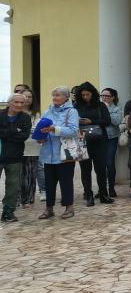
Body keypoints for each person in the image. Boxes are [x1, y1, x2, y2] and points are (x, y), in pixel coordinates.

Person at [37, 87, 80, 219]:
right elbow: (41, 128)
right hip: (48, 152)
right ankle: (49, 209)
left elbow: (73, 131)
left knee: (65, 181)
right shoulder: (47, 111)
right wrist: (40, 136)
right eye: (53, 95)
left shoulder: (71, 111)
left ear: (66, 97)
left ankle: (69, 208)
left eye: (57, 95)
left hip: (64, 153)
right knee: (49, 183)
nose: (54, 98)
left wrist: (54, 129)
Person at [74, 81, 113, 205]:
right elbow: (71, 122)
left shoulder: (100, 105)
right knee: (85, 169)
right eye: (83, 95)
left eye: (88, 94)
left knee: (101, 169)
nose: (85, 97)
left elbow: (107, 121)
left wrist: (92, 121)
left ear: (92, 93)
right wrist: (80, 122)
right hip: (83, 141)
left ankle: (103, 194)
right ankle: (88, 195)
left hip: (99, 141)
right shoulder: (76, 106)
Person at [0, 94, 32, 223]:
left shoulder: (25, 118)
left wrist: (4, 133)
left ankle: (8, 212)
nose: (19, 105)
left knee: (13, 186)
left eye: (21, 103)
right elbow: (17, 134)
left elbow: (23, 136)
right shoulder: (0, 114)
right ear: (9, 102)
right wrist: (15, 130)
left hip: (15, 156)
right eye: (16, 102)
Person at [19, 88, 44, 207]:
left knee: (31, 174)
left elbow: (37, 129)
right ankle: (19, 198)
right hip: (18, 147)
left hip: (33, 147)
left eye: (30, 97)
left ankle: (29, 199)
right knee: (19, 174)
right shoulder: (16, 112)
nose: (27, 99)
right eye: (25, 96)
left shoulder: (36, 113)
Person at [101, 88, 122, 198]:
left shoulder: (117, 109)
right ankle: (102, 189)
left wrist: (106, 109)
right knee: (100, 165)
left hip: (111, 138)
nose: (104, 98)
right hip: (99, 138)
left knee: (110, 163)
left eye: (107, 96)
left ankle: (111, 188)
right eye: (102, 95)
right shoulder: (97, 107)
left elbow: (116, 121)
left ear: (113, 97)